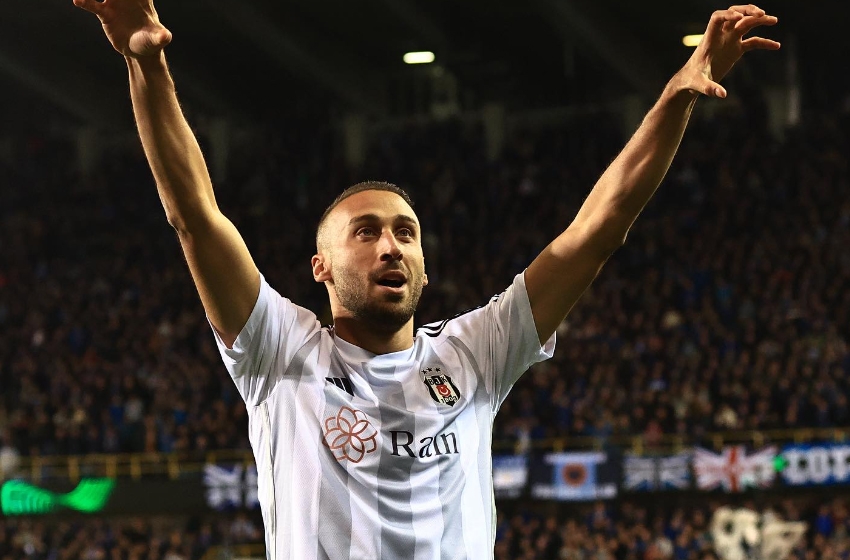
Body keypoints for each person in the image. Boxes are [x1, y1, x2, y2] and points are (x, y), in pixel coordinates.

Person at [71, 0, 779, 558]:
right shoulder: (278, 351)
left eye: (406, 233)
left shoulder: (475, 352)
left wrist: (675, 96)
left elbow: (598, 230)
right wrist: (147, 64)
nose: (391, 248)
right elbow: (194, 216)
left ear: (425, 264)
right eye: (366, 232)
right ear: (320, 267)